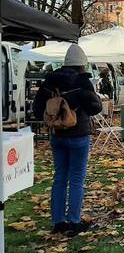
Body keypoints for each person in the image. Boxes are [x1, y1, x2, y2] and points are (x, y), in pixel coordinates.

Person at [33, 44, 102, 236]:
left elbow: (38, 109)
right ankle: (74, 221)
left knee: (59, 178)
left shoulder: (50, 81)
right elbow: (96, 107)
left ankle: (58, 222)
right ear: (82, 63)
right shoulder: (82, 81)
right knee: (77, 179)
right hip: (78, 134)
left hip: (58, 135)